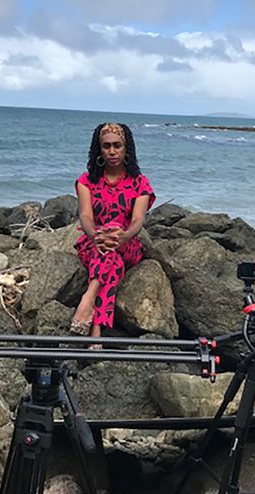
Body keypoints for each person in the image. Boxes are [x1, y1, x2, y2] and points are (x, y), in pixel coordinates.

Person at [70, 123, 155, 340]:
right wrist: (95, 235)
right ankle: (97, 327)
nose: (112, 151)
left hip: (128, 243)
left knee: (112, 251)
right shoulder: (86, 181)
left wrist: (124, 236)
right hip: (93, 242)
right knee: (110, 260)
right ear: (99, 150)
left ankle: (88, 299)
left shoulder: (140, 183)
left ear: (127, 149)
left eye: (117, 145)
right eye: (106, 146)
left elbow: (137, 220)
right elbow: (86, 216)